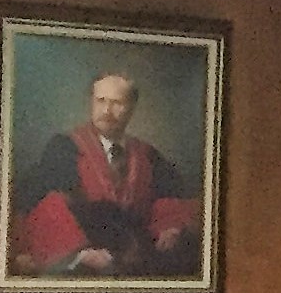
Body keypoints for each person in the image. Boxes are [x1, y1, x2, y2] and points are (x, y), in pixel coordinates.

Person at [13, 71, 200, 276]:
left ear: (132, 108)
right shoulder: (65, 147)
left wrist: (171, 227)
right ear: (91, 102)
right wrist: (79, 254)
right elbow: (43, 204)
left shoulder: (147, 155)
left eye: (117, 103)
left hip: (138, 258)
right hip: (83, 257)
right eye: (101, 101)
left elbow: (170, 199)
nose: (107, 111)